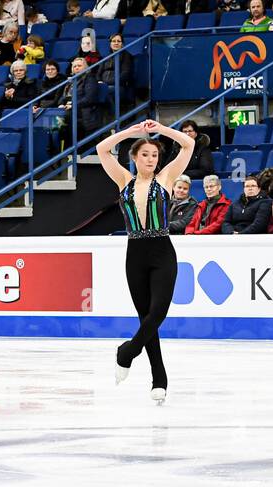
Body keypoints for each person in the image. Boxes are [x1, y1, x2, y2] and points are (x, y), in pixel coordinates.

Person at [96, 119, 195, 404]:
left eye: (155, 155)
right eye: (145, 154)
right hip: (134, 253)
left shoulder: (166, 178)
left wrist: (161, 130)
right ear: (135, 157)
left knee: (157, 313)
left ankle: (126, 352)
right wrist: (131, 133)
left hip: (162, 250)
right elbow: (102, 150)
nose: (151, 159)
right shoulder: (123, 181)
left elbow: (187, 144)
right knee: (145, 318)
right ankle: (159, 378)